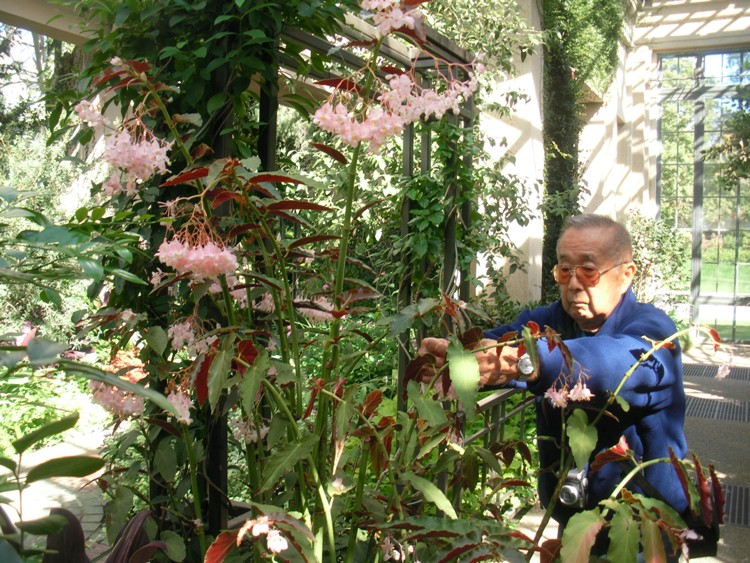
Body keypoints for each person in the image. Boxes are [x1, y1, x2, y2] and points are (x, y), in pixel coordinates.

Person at [418, 214, 688, 544]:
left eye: (588, 271)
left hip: (646, 530)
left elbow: (608, 363)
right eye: (564, 270)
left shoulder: (655, 332)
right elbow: (499, 345)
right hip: (573, 522)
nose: (573, 283)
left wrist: (522, 362)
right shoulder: (545, 322)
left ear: (625, 275)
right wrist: (457, 357)